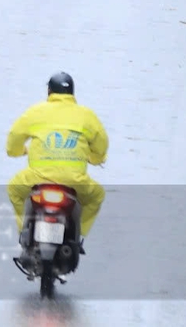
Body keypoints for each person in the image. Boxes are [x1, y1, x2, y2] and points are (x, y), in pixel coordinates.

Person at [6, 71, 109, 266]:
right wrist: (95, 158)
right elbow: (101, 143)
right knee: (96, 196)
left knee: (14, 189)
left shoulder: (35, 112)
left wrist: (18, 151)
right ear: (72, 93)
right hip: (74, 180)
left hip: (38, 177)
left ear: (49, 91)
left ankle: (24, 233)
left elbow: (14, 137)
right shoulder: (86, 116)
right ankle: (77, 238)